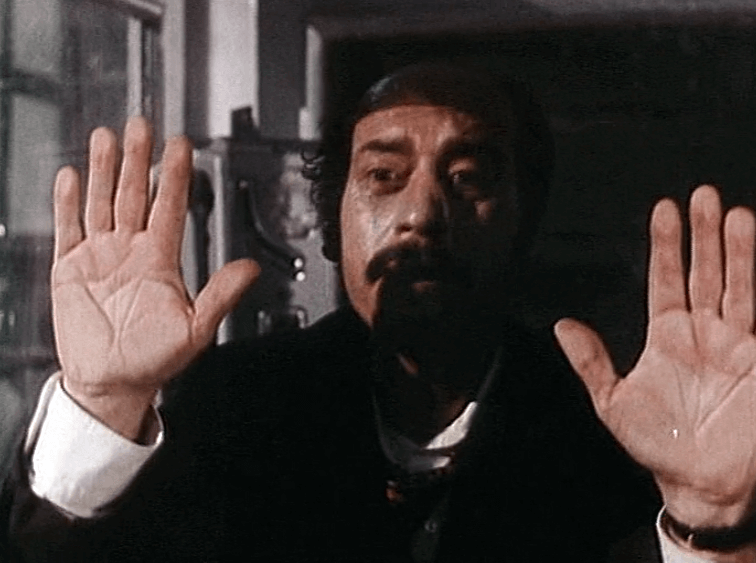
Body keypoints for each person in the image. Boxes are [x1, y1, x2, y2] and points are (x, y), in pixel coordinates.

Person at [2, 62, 755, 562]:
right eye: (384, 176)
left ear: (524, 221)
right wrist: (103, 405)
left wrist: (711, 522)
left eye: (469, 177)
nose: (422, 214)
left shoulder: (624, 438)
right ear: (333, 224)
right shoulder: (230, 408)